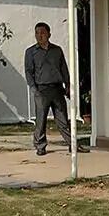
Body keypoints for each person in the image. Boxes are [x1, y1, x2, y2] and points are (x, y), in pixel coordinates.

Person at [24, 22, 88, 156]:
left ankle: (73, 144)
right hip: (41, 90)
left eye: (42, 33)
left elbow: (64, 68)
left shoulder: (57, 50)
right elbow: (29, 72)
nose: (39, 35)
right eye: (37, 33)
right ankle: (40, 145)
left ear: (49, 34)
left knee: (63, 119)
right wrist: (34, 89)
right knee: (41, 120)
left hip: (57, 89)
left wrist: (68, 85)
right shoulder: (31, 52)